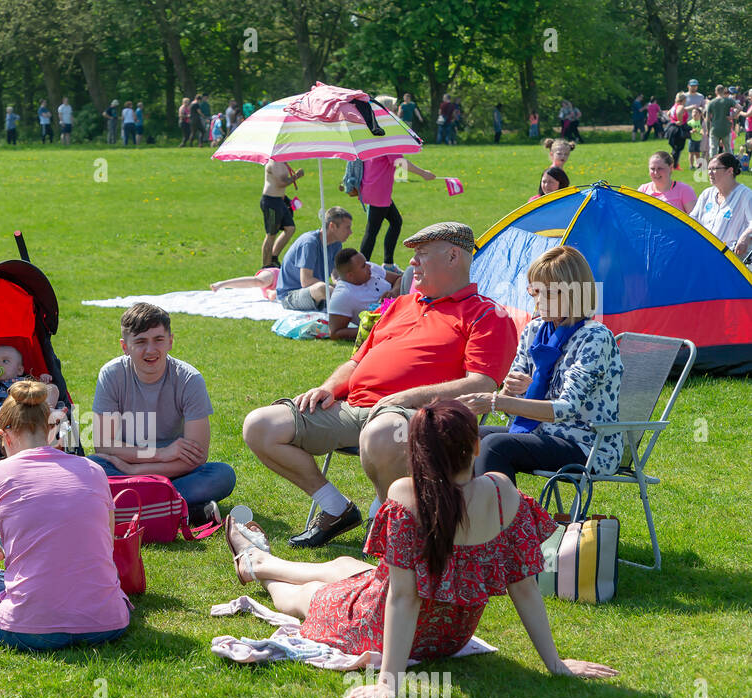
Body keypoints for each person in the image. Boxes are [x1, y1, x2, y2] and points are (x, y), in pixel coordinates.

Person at [225, 400, 618, 698]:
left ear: (416, 450)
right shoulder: (501, 491)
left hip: (381, 630)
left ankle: (257, 565)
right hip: (449, 636)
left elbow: (402, 596)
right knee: (349, 569)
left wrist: (387, 683)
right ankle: (261, 563)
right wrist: (555, 663)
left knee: (302, 597)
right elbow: (526, 590)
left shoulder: (405, 494)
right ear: (477, 445)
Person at [242, 221, 517, 548]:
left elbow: (482, 383)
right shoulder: (400, 305)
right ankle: (335, 508)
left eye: (422, 255)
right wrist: (329, 387)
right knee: (259, 425)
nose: (412, 263)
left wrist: (406, 397)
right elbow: (356, 361)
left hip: (414, 417)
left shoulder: (486, 314)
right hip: (352, 408)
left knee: (382, 433)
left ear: (453, 257)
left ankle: (388, 520)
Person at [0, 381, 129, 652]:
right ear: (50, 429)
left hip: (26, 629)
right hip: (107, 622)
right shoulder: (93, 471)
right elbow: (105, 544)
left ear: (5, 436)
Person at [458, 246, 624, 482]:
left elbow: (566, 409)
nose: (538, 301)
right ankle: (462, 513)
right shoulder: (535, 330)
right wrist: (508, 393)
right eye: (534, 292)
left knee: (495, 445)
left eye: (548, 293)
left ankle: (504, 517)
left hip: (587, 444)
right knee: (463, 436)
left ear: (574, 293)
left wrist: (496, 400)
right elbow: (509, 406)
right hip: (541, 431)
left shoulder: (594, 337)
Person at [89, 303, 236, 525]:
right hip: (126, 466)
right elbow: (103, 445)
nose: (150, 350)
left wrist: (135, 470)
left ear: (170, 341)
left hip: (172, 470)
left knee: (222, 475)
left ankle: (128, 507)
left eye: (158, 339)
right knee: (92, 467)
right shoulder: (112, 374)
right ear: (124, 346)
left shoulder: (189, 379)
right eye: (140, 342)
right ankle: (178, 508)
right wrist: (160, 453)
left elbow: (197, 456)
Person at [355, 153, 436, 268]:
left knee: (395, 222)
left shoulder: (375, 140)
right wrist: (423, 173)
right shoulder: (387, 143)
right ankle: (361, 267)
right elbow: (401, 162)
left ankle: (387, 263)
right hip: (379, 193)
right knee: (372, 231)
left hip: (373, 189)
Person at [273, 206, 355, 311]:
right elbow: (306, 281)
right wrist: (337, 289)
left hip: (312, 292)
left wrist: (342, 283)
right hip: (291, 295)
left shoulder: (336, 243)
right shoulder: (309, 243)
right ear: (332, 226)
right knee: (323, 289)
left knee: (351, 284)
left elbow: (335, 272)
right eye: (347, 228)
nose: (350, 232)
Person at [323, 249, 406, 341]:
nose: (369, 266)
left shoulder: (372, 269)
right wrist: (372, 329)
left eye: (366, 262)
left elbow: (399, 278)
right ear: (350, 275)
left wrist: (394, 292)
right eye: (363, 266)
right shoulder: (342, 296)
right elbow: (334, 333)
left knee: (410, 271)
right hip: (391, 322)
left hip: (404, 305)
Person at [692, 152, 752, 257]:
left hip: (731, 259)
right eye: (708, 169)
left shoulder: (745, 195)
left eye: (714, 169)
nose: (710, 173)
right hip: (703, 254)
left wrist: (745, 236)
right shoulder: (707, 194)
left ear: (729, 171)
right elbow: (692, 220)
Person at [0, 345, 59, 411]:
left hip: (32, 412)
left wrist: (44, 381)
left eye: (5, 361)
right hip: (8, 414)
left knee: (52, 388)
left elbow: (39, 392)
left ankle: (46, 412)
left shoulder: (26, 380)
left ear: (19, 370)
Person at [259, 157, 304, 268]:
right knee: (271, 234)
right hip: (271, 202)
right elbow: (280, 183)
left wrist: (286, 200)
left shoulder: (282, 161)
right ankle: (266, 265)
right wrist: (296, 176)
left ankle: (273, 257)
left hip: (279, 200)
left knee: (290, 228)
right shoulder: (274, 162)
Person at [707, 85, 737, 158]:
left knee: (713, 148)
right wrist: (732, 116)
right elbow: (740, 107)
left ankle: (713, 164)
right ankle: (731, 164)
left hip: (715, 128)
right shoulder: (729, 100)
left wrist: (708, 130)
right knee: (728, 148)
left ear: (716, 91)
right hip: (726, 128)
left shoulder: (711, 102)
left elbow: (707, 119)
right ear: (723, 91)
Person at [664, 94, 690, 168]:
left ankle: (672, 164)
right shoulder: (680, 106)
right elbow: (679, 112)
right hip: (678, 129)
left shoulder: (674, 106)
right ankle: (675, 165)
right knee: (678, 147)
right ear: (683, 100)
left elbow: (668, 113)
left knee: (675, 148)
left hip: (672, 127)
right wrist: (680, 120)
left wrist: (673, 120)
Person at [687, 105, 706, 171]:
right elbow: (686, 131)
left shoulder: (702, 122)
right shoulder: (690, 122)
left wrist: (701, 131)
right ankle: (691, 165)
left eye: (696, 112)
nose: (694, 114)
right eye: (693, 112)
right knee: (691, 153)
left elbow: (703, 129)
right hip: (692, 140)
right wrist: (690, 131)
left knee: (697, 153)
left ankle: (698, 165)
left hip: (699, 140)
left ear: (700, 114)